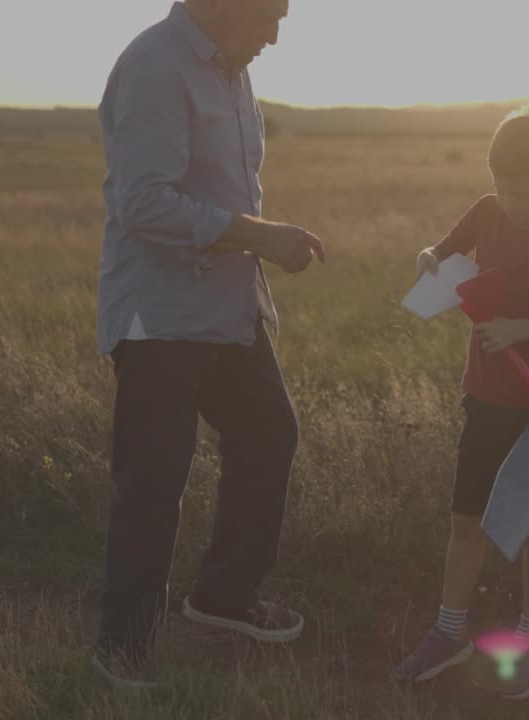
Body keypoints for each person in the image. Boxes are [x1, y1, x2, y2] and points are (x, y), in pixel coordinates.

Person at [92, 0, 324, 691]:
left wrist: (261, 243)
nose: (275, 35)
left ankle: (222, 597)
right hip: (161, 317)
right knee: (154, 484)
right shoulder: (155, 66)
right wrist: (261, 236)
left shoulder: (232, 69)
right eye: (267, 16)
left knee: (268, 435)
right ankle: (121, 651)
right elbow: (145, 204)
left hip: (226, 311)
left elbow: (224, 185)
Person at [395, 106, 529, 700]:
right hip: (484, 399)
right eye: (503, 191)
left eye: (525, 195)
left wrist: (519, 330)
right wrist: (428, 259)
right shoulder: (487, 210)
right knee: (468, 521)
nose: (510, 205)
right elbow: (443, 250)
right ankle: (449, 632)